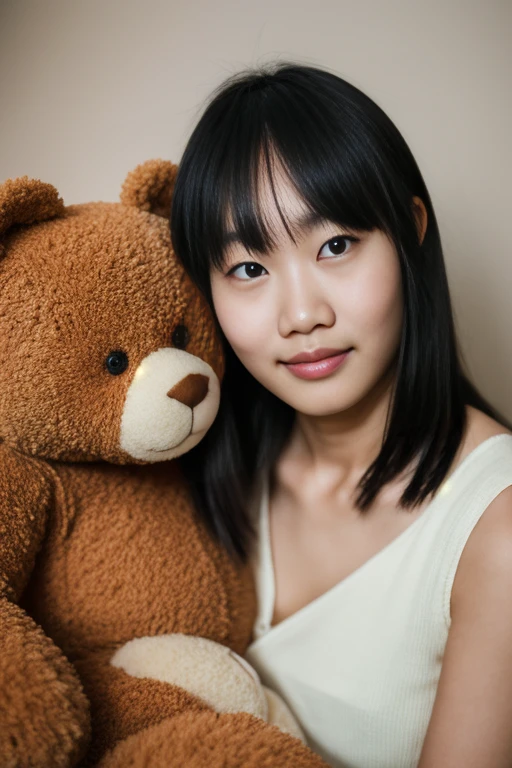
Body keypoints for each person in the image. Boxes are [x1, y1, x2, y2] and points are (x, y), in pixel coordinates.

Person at [169, 62, 512, 768]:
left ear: (410, 231)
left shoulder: (496, 534)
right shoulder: (203, 463)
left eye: (336, 245)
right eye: (249, 269)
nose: (302, 316)